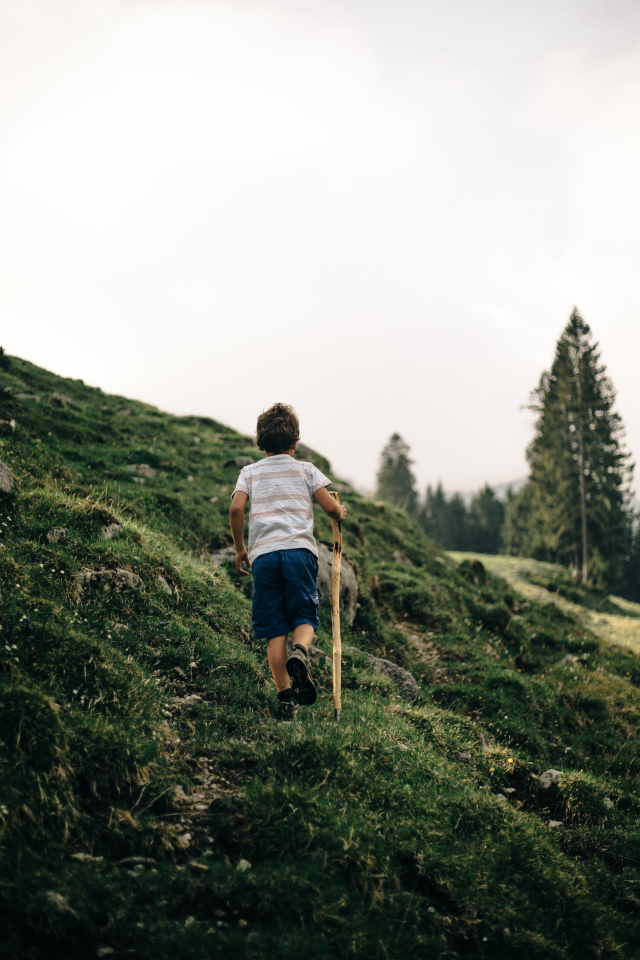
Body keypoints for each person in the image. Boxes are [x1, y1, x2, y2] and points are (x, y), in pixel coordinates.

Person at [229, 403, 347, 719]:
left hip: (264, 558)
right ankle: (301, 651)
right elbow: (328, 505)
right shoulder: (307, 469)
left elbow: (237, 509)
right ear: (295, 442)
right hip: (299, 553)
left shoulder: (249, 472)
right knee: (304, 614)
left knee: (274, 628)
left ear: (260, 442)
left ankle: (285, 699)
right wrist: (339, 511)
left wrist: (240, 548)